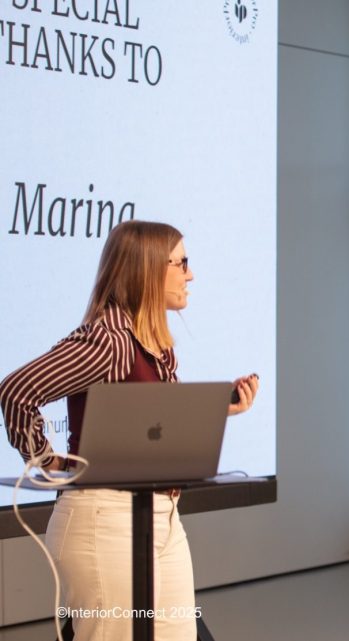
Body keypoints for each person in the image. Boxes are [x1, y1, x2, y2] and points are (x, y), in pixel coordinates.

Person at [0, 220, 260, 641]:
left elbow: (152, 428)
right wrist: (47, 461)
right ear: (148, 270)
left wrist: (219, 409)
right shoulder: (111, 340)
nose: (190, 274)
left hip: (160, 519)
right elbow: (17, 391)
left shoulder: (157, 344)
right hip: (104, 524)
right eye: (182, 263)